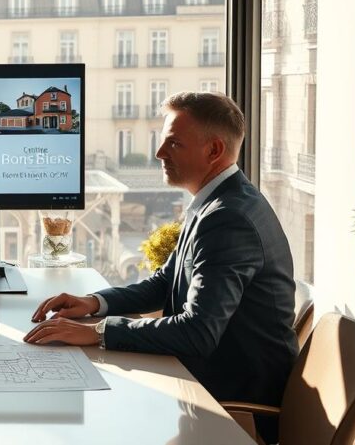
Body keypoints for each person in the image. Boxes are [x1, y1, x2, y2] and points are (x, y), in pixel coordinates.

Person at [24, 91, 297, 443]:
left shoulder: (229, 218)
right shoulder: (218, 201)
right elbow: (165, 282)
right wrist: (93, 303)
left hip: (233, 404)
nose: (159, 153)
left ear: (213, 150)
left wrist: (97, 331)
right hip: (209, 378)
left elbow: (198, 332)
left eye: (174, 144)